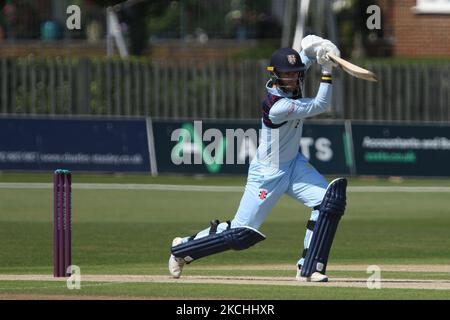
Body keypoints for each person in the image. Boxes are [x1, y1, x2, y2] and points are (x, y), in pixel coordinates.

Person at [168, 35, 348, 282]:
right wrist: (327, 70)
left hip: (293, 165)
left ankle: (310, 266)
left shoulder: (291, 79)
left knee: (329, 203)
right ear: (274, 75)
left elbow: (303, 57)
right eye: (287, 75)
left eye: (296, 74)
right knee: (240, 233)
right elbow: (321, 104)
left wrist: (318, 48)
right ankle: (182, 249)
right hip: (269, 170)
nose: (293, 78)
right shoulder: (278, 106)